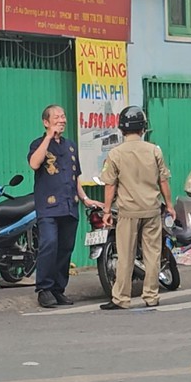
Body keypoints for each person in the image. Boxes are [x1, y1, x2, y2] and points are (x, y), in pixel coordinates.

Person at [99, 106, 175, 310]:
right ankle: (151, 295)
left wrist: (106, 211)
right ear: (143, 128)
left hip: (128, 212)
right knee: (153, 254)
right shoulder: (154, 150)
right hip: (151, 210)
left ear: (121, 129)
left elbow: (110, 185)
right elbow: (163, 180)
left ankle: (121, 298)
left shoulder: (115, 154)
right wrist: (169, 205)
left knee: (125, 255)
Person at [28, 105, 100, 308]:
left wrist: (85, 198)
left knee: (65, 249)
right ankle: (44, 289)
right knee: (49, 244)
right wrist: (48, 138)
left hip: (69, 205)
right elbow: (34, 164)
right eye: (57, 117)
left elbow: (75, 177)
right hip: (49, 207)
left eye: (63, 116)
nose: (62, 120)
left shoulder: (70, 146)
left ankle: (58, 289)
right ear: (46, 122)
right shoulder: (38, 144)